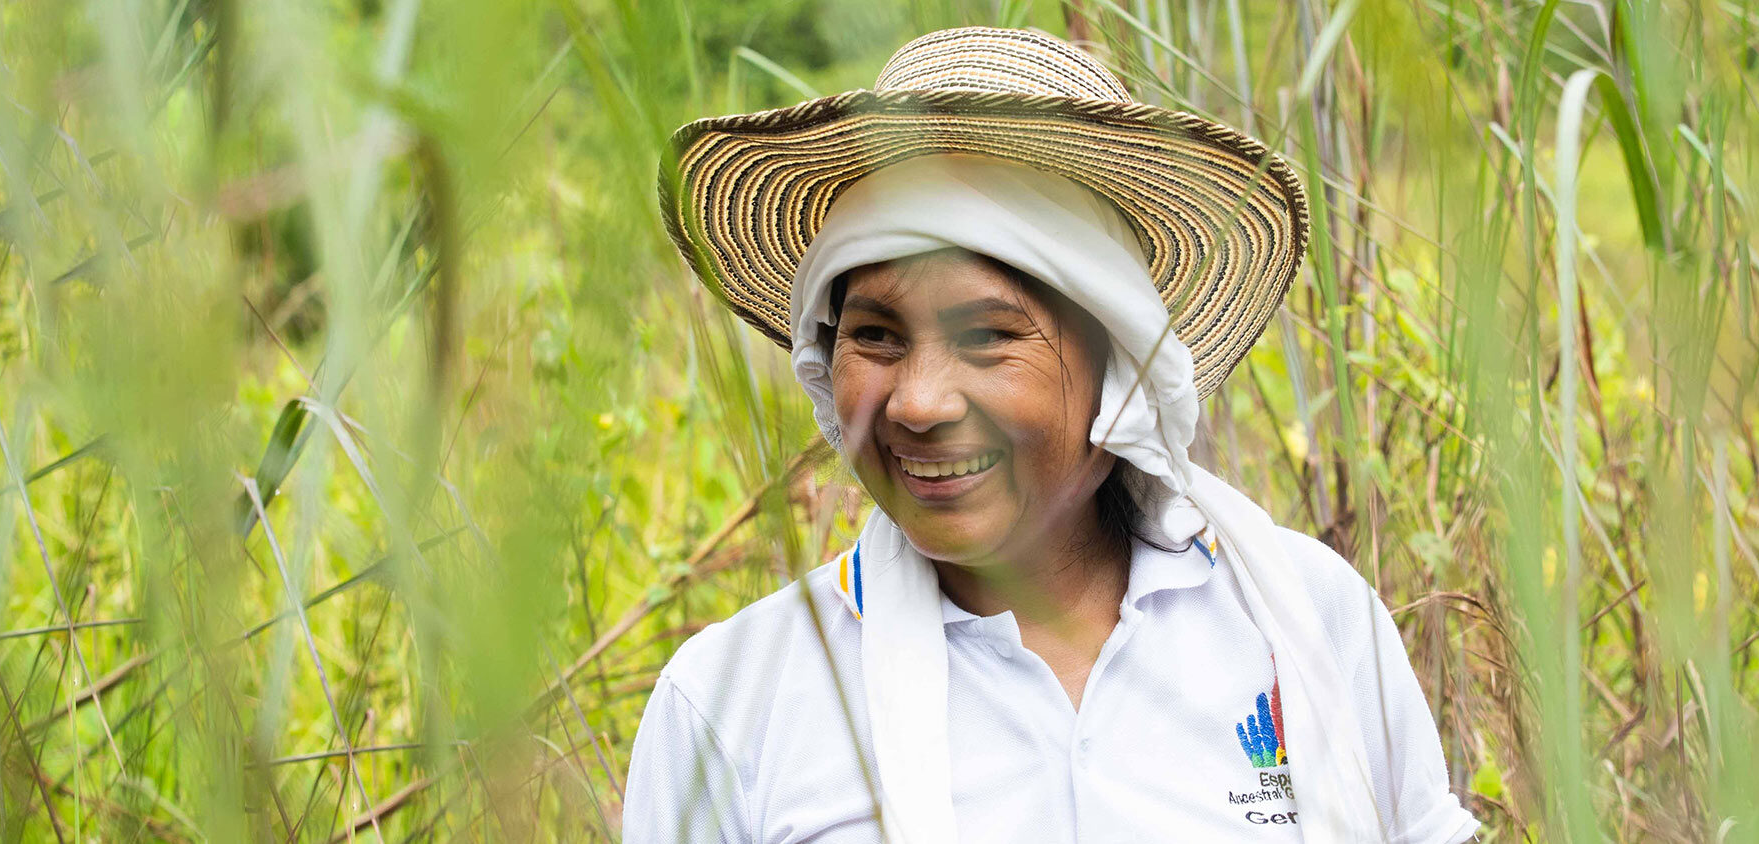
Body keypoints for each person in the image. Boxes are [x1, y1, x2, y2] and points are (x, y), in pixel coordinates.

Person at [627, 26, 1480, 844]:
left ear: (1120, 371)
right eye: (876, 335)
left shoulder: (1308, 625)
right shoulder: (733, 706)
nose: (916, 402)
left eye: (987, 335)